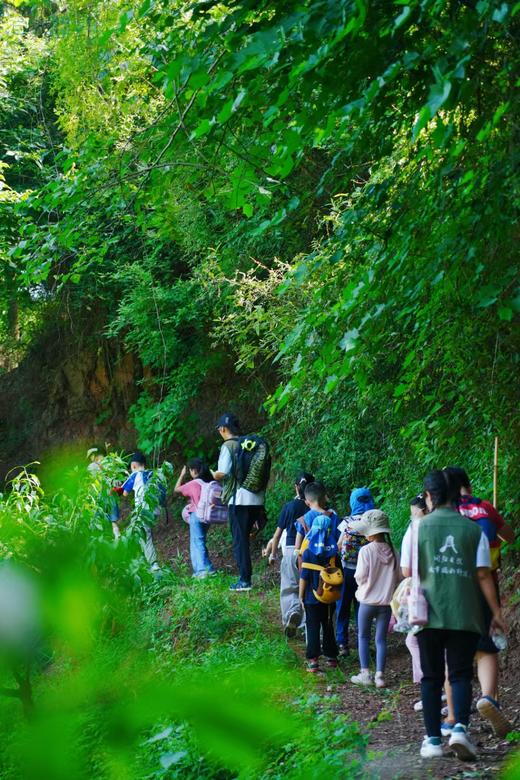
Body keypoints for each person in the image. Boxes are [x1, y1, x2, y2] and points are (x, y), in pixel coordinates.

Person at [401, 470, 506, 762]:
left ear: (430, 496)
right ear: (456, 494)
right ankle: (460, 729)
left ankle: (433, 740)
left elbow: (408, 571)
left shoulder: (417, 528)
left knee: (431, 677)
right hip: (465, 613)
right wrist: (496, 613)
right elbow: (483, 574)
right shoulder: (472, 530)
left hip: (427, 614)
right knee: (460, 674)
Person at [442, 465, 514, 738]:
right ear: (468, 486)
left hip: (452, 589)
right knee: (486, 648)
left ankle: (452, 717)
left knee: (453, 654)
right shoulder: (485, 508)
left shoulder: (444, 512)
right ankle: (488, 698)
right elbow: (510, 536)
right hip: (485, 587)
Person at [212, 412, 266, 593]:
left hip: (239, 499)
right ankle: (246, 576)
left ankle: (244, 580)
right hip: (257, 499)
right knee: (246, 537)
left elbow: (223, 472)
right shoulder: (248, 444)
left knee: (239, 540)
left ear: (223, 429)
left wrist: (213, 474)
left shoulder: (228, 446)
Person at [349, 509, 400, 688]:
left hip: (367, 602)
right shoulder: (394, 551)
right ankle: (380, 676)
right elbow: (398, 577)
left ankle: (365, 674)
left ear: (369, 533)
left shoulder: (366, 551)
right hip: (386, 604)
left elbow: (360, 576)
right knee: (381, 640)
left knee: (363, 636)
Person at [263, 471, 315, 636]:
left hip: (291, 550)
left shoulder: (289, 507)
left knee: (289, 586)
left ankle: (292, 614)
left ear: (296, 487)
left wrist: (272, 555)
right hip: (310, 552)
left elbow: (277, 534)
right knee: (308, 587)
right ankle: (309, 623)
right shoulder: (314, 507)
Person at [299, 514, 340, 673]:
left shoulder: (308, 552)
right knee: (329, 625)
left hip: (311, 597)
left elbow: (304, 577)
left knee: (313, 626)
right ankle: (332, 657)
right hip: (329, 597)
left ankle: (313, 661)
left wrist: (301, 596)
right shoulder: (333, 553)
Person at [336, 487, 374, 657]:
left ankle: (342, 643)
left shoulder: (347, 522)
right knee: (362, 607)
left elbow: (338, 545)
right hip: (367, 573)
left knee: (343, 606)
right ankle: (362, 642)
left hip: (347, 571)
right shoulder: (372, 521)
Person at [174, 458, 216, 579]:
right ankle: (209, 568)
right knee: (201, 541)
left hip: (196, 515)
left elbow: (176, 489)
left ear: (194, 470)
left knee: (197, 542)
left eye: (190, 470)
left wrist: (182, 475)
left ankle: (201, 571)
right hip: (207, 516)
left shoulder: (193, 483)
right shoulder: (208, 483)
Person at [122, 451, 162, 576]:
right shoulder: (153, 473)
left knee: (144, 535)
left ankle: (154, 565)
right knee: (140, 533)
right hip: (155, 510)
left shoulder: (134, 476)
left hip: (143, 511)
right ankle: (144, 560)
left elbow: (124, 493)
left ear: (133, 466)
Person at [87, 451, 122, 539]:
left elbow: (89, 484)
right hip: (110, 496)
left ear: (93, 456)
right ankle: (118, 538)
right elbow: (117, 482)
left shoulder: (91, 467)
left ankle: (103, 541)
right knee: (113, 521)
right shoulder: (109, 464)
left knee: (99, 522)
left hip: (98, 498)